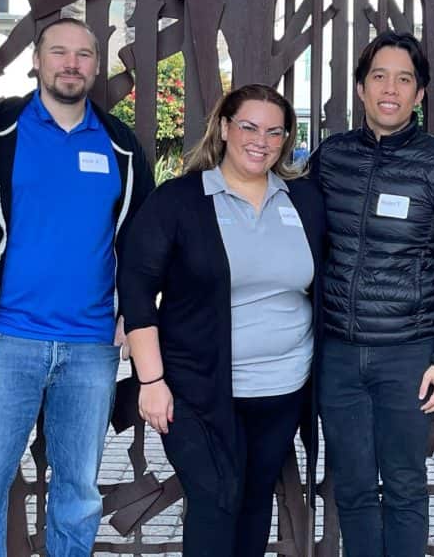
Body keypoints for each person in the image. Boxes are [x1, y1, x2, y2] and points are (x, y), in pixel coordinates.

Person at [0, 17, 154, 556]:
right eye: (59, 52)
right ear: (36, 60)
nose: (71, 64)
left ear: (95, 66)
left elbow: (144, 241)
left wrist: (135, 309)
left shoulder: (120, 146)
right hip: (3, 342)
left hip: (91, 348)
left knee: (78, 494)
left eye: (82, 55)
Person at [118, 84, 326, 557]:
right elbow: (136, 287)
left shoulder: (304, 202)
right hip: (198, 390)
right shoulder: (180, 200)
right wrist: (150, 380)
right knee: (214, 502)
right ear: (225, 128)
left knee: (254, 503)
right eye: (249, 126)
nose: (262, 140)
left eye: (275, 131)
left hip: (282, 389)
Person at [311, 31, 434, 556]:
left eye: (404, 79)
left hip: (408, 353)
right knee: (354, 487)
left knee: (404, 486)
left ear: (419, 94)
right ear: (361, 88)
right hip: (338, 352)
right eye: (379, 76)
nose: (391, 88)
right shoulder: (330, 158)